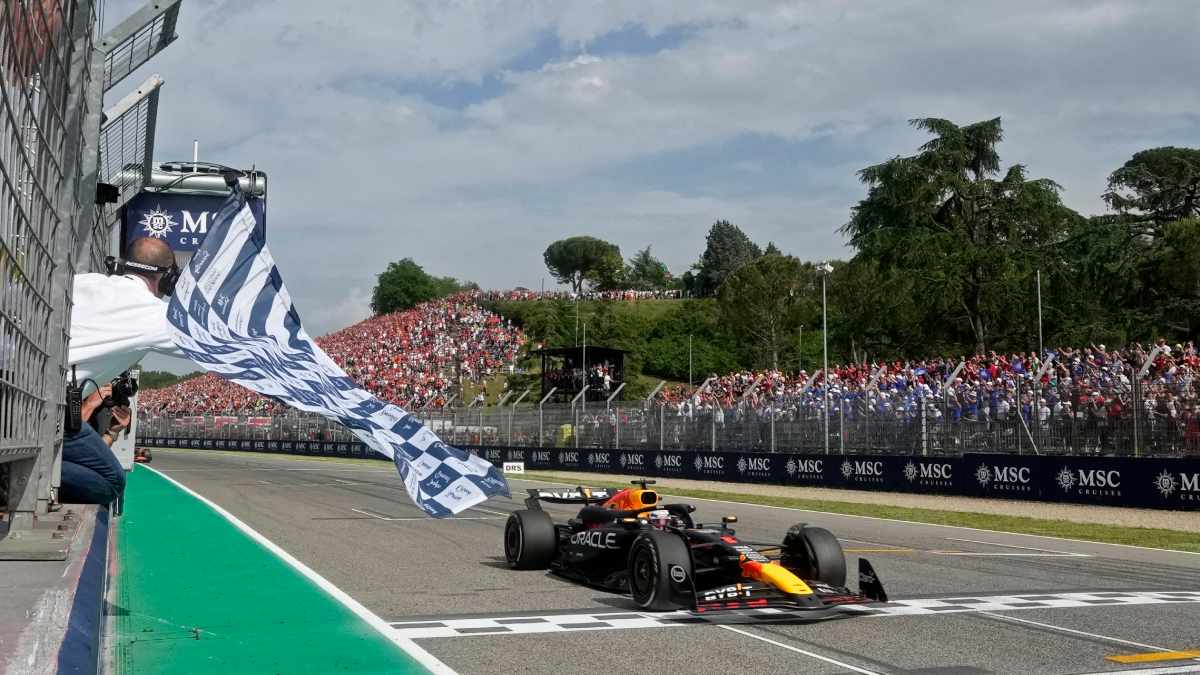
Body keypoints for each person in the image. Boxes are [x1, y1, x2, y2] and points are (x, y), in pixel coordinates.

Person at [61, 237, 185, 504]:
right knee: (111, 481)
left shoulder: (84, 281)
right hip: (51, 409)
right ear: (167, 278)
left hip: (22, 381)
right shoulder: (155, 314)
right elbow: (210, 346)